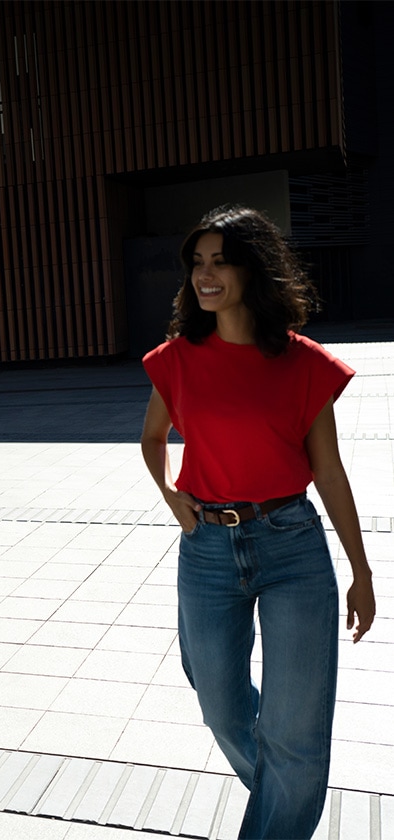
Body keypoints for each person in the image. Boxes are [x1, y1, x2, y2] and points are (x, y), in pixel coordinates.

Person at [139, 206, 376, 838]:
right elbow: (153, 438)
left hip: (292, 545)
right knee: (219, 704)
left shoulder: (304, 364)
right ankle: (287, 792)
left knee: (295, 730)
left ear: (254, 270)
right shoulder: (176, 359)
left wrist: (361, 571)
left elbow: (329, 473)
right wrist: (170, 493)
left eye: (221, 262)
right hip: (207, 549)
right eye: (197, 263)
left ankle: (283, 808)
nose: (205, 275)